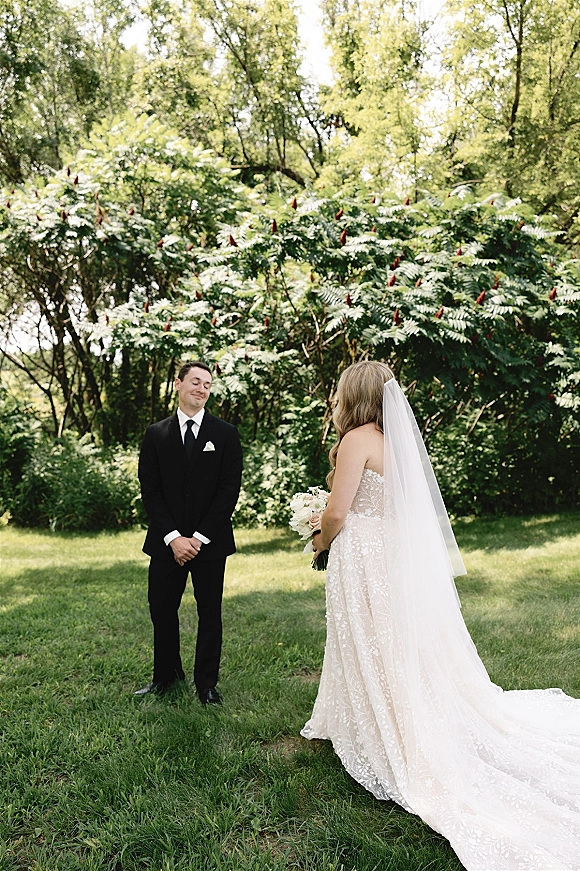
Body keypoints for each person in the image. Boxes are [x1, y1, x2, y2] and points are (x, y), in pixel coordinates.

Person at [303, 360, 580, 870]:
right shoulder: (394, 443)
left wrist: (317, 539)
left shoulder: (355, 441)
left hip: (362, 556)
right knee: (391, 641)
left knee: (366, 639)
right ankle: (383, 712)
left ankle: (385, 726)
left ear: (352, 395)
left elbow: (338, 513)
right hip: (389, 555)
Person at [135, 361, 242, 704]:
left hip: (209, 544)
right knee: (161, 609)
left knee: (209, 612)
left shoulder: (225, 434)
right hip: (167, 542)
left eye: (207, 384)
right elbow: (150, 491)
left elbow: (229, 492)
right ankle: (166, 676)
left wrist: (197, 539)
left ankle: (206, 684)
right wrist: (173, 538)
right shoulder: (156, 434)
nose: (201, 388)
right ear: (178, 384)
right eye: (195, 382)